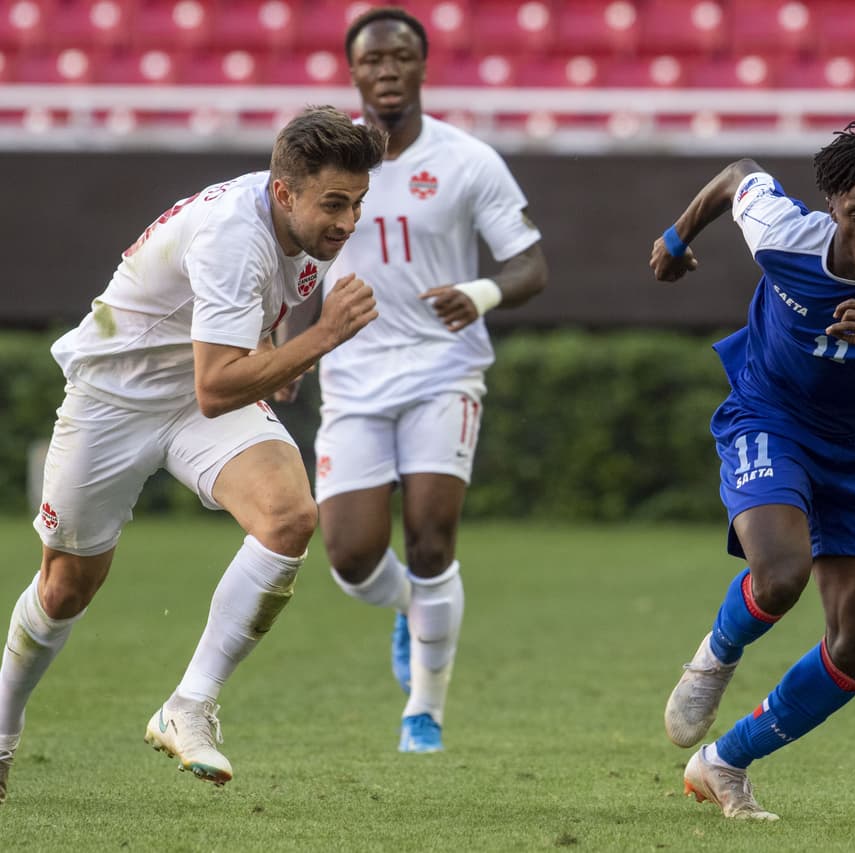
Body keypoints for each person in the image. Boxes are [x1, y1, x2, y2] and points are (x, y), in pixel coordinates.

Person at [0, 106, 386, 804]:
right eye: (335, 204)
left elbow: (255, 320)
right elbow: (216, 386)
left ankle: (190, 703)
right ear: (283, 191)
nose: (348, 222)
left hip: (196, 396)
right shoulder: (234, 235)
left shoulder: (298, 220)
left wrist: (274, 349)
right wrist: (320, 338)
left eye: (358, 203)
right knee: (64, 589)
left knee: (288, 516)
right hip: (115, 401)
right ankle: (0, 734)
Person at [650, 121, 855, 821]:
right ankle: (714, 656)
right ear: (831, 204)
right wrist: (679, 238)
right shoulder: (783, 232)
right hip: (769, 418)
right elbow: (737, 169)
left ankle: (723, 763)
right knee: (780, 574)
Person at [286, 7, 547, 754]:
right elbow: (296, 259)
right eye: (373, 60)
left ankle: (422, 712)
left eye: (401, 56)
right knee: (349, 556)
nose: (388, 70)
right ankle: (412, 609)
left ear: (423, 66)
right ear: (354, 73)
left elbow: (530, 263)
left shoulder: (467, 161)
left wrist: (484, 293)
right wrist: (285, 345)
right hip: (355, 370)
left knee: (433, 540)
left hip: (444, 369)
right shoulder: (328, 167)